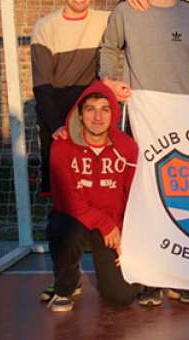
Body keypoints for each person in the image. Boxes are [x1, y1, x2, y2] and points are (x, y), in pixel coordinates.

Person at [100, 0, 189, 305]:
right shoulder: (128, 11)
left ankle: (179, 275)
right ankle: (148, 278)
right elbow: (109, 49)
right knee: (144, 199)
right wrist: (110, 81)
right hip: (141, 120)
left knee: (180, 198)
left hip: (182, 122)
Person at [46, 81, 140, 312]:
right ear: (79, 114)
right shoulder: (62, 146)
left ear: (114, 114)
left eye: (105, 109)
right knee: (61, 227)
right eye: (90, 109)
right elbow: (66, 199)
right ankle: (66, 285)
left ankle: (139, 277)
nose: (98, 117)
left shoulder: (127, 147)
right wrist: (105, 224)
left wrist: (125, 235)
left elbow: (134, 196)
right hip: (78, 221)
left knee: (122, 296)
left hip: (112, 227)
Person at [31, 0, 108, 197]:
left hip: (89, 109)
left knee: (94, 186)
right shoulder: (45, 26)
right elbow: (42, 85)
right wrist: (57, 126)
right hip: (56, 109)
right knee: (61, 192)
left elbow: (135, 13)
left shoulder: (106, 20)